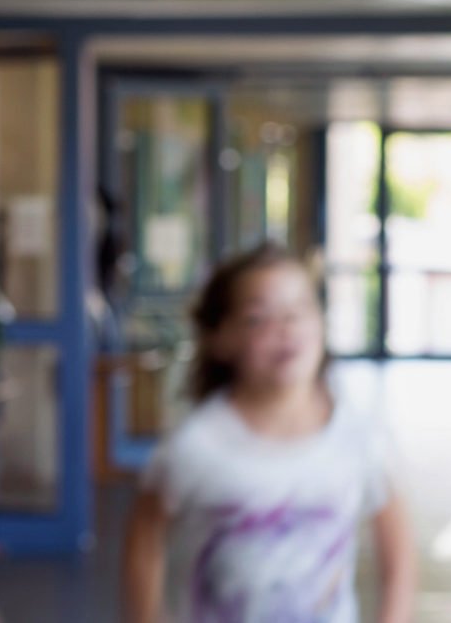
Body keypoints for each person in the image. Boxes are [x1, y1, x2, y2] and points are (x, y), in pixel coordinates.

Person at [124, 244, 416, 623]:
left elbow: (398, 553)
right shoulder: (194, 448)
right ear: (220, 338)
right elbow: (143, 544)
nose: (286, 329)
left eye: (299, 311)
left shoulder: (359, 438)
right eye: (259, 318)